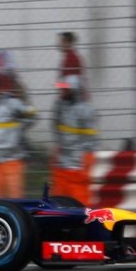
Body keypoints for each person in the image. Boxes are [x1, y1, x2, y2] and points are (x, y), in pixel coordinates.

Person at [50, 76, 98, 204]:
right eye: (61, 89)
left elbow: (91, 140)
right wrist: (57, 151)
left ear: (74, 90)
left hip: (77, 167)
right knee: (57, 205)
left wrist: (86, 162)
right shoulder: (59, 107)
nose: (62, 92)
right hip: (61, 166)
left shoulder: (86, 110)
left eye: (66, 90)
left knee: (80, 204)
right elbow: (55, 127)